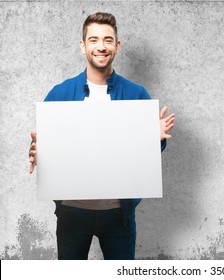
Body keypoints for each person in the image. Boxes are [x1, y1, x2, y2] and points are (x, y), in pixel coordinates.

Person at [28, 12, 174, 260]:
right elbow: (42, 142)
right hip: (72, 213)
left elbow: (145, 157)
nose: (101, 46)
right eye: (93, 39)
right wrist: (36, 151)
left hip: (119, 215)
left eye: (108, 40)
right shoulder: (60, 93)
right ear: (83, 45)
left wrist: (155, 140)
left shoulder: (136, 94)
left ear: (117, 46)